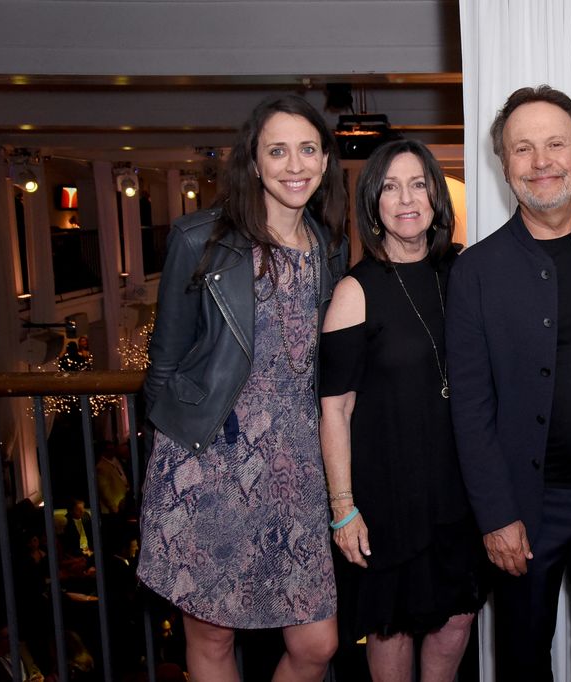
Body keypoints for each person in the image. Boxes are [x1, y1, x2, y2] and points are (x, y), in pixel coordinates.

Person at [137, 94, 348, 682]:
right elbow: (164, 362)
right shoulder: (199, 239)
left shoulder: (331, 246)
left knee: (318, 643)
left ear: (326, 160)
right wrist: (177, 451)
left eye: (308, 149)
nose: (294, 164)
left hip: (298, 468)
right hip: (209, 462)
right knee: (212, 634)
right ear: (253, 163)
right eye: (276, 151)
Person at [446, 85, 571, 680]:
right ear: (503, 165)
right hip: (528, 509)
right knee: (524, 658)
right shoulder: (476, 270)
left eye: (555, 144)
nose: (541, 160)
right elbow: (470, 407)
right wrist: (496, 515)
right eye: (522, 148)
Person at [320, 139, 488, 681]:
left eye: (418, 184)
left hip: (457, 490)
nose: (406, 199)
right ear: (373, 205)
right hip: (387, 493)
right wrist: (343, 508)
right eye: (389, 187)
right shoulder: (355, 290)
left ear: (437, 199)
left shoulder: (461, 274)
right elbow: (336, 410)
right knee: (391, 629)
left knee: (456, 624)